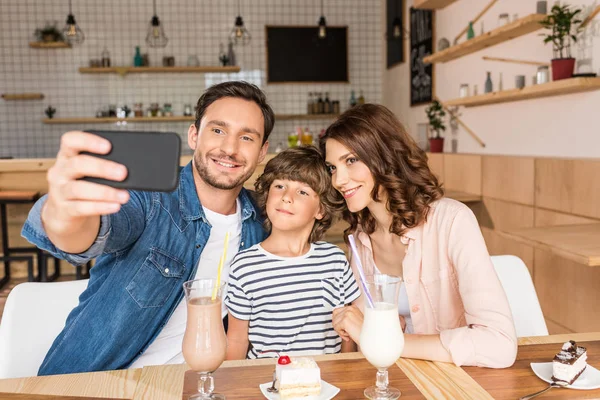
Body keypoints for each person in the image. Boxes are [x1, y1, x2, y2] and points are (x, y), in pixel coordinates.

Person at [21, 81, 274, 375]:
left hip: (197, 385)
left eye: (246, 137)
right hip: (97, 384)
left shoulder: (262, 218)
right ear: (194, 135)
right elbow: (94, 230)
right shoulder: (149, 199)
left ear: (261, 152)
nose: (230, 148)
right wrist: (64, 215)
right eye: (217, 130)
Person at [320, 103, 517, 368]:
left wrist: (386, 342)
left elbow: (499, 345)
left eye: (351, 160)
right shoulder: (360, 239)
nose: (339, 180)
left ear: (386, 156)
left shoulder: (452, 221)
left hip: (455, 383)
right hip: (394, 380)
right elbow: (360, 336)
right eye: (332, 167)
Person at [224, 146, 360, 359]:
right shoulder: (244, 265)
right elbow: (236, 340)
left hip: (325, 385)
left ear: (320, 210)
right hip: (267, 386)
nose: (287, 197)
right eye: (279, 186)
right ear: (267, 195)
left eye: (303, 191)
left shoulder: (335, 260)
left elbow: (347, 334)